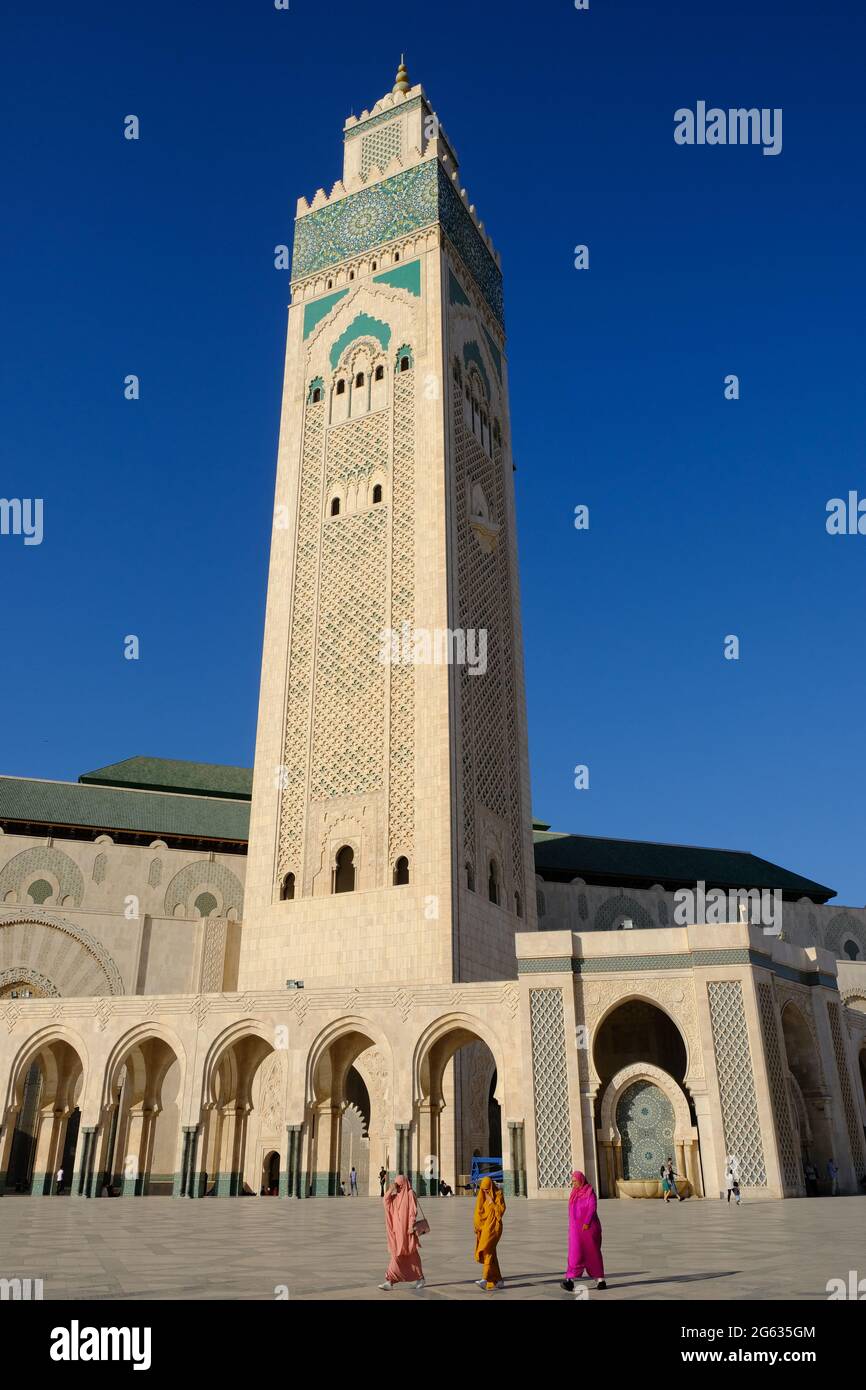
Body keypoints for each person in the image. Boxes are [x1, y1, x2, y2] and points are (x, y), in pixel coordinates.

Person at [560, 1171, 606, 1292]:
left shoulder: (589, 1192)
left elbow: (592, 1207)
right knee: (575, 1253)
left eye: (575, 1181)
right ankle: (570, 1280)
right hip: (576, 1230)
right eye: (572, 1181)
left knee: (593, 1253)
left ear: (581, 1180)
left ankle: (600, 1280)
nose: (573, 1183)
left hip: (589, 1228)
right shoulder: (574, 1193)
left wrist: (586, 1222)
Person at [378, 1175, 425, 1291]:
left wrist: (410, 1226)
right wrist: (390, 1189)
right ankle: (390, 1280)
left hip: (407, 1232)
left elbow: (413, 1212)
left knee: (411, 1255)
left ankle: (393, 1280)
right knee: (398, 1254)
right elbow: (385, 1201)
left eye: (399, 1185)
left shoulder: (409, 1194)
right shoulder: (395, 1196)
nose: (398, 1187)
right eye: (396, 1185)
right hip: (397, 1232)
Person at [473, 1176, 506, 1290]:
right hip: (485, 1228)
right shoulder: (482, 1196)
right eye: (483, 1190)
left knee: (487, 1250)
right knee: (491, 1253)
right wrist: (477, 1226)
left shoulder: (498, 1195)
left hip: (495, 1228)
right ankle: (498, 1280)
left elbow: (500, 1212)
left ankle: (484, 1279)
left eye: (487, 1189)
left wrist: (492, 1202)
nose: (485, 1192)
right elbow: (479, 1212)